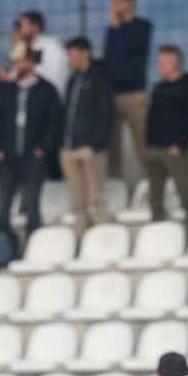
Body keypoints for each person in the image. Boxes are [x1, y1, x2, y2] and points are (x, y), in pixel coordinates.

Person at [0, 41, 61, 236]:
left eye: (20, 61)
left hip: (33, 153)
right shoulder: (6, 89)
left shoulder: (46, 89)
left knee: (32, 199)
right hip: (8, 153)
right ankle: (2, 238)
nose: (16, 66)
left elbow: (53, 122)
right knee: (4, 198)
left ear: (31, 62)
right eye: (15, 62)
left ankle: (33, 237)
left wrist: (43, 147)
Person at [144, 45, 188, 233]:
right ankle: (158, 232)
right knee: (154, 197)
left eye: (162, 62)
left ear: (174, 63)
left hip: (175, 151)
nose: (158, 66)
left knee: (184, 194)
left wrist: (180, 144)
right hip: (154, 149)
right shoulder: (159, 88)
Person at [61, 36, 114, 236]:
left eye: (73, 55)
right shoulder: (72, 80)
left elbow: (106, 114)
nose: (70, 59)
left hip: (90, 149)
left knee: (96, 198)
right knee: (77, 200)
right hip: (69, 148)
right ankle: (81, 238)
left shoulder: (99, 79)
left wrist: (95, 144)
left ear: (85, 54)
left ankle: (101, 238)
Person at [104, 0, 152, 180]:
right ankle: (115, 183)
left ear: (129, 2)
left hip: (134, 93)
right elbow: (110, 59)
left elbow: (128, 49)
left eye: (117, 3)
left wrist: (118, 28)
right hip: (112, 94)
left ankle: (150, 181)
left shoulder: (142, 27)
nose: (113, 7)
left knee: (143, 143)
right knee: (112, 147)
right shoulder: (111, 31)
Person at [17, 11, 68, 98]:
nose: (21, 30)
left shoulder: (51, 47)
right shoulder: (25, 48)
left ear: (36, 27)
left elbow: (54, 78)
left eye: (24, 26)